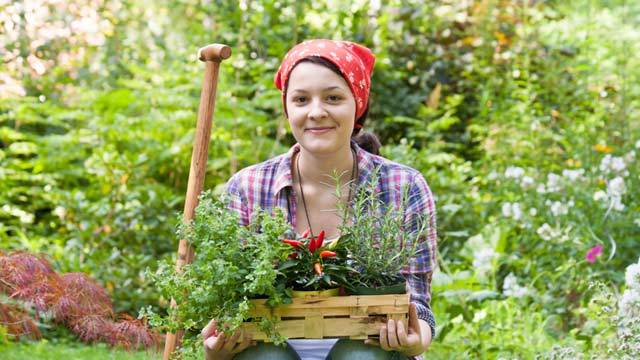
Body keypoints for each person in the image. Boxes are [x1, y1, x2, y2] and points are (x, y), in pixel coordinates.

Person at [202, 39, 438, 360]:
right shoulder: (247, 187)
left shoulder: (403, 185)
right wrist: (217, 350)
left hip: (371, 349)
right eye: (301, 99)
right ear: (287, 109)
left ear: (358, 105)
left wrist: (416, 339)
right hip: (269, 348)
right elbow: (225, 297)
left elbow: (418, 299)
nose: (316, 112)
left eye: (333, 97)